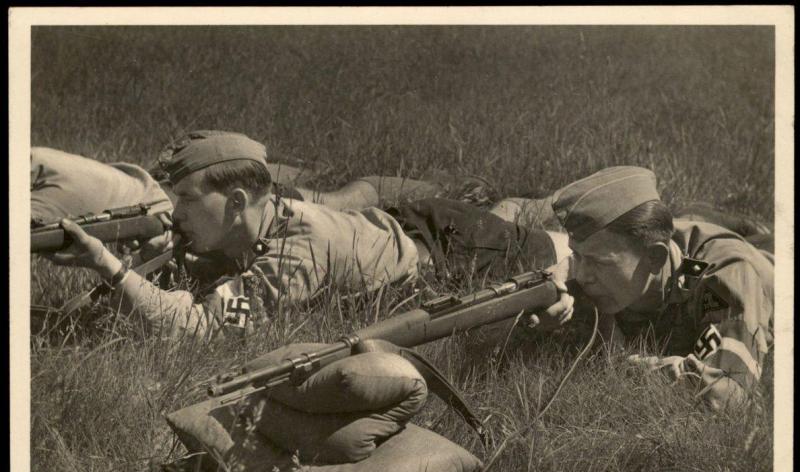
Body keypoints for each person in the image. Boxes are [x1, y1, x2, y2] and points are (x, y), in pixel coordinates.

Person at [39, 130, 573, 339]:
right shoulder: (255, 223)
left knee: (558, 242)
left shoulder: (297, 253)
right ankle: (504, 197)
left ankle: (559, 203)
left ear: (238, 203)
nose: (173, 212)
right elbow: (205, 274)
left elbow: (202, 328)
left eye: (185, 201)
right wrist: (153, 259)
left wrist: (107, 267)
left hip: (455, 251)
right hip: (396, 223)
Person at [539, 166, 774, 411]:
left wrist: (636, 365)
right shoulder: (608, 259)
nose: (584, 276)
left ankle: (746, 226)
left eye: (599, 262)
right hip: (689, 232)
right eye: (578, 255)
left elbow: (724, 395)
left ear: (654, 258)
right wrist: (548, 298)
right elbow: (575, 267)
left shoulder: (727, 277)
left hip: (773, 261)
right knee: (693, 215)